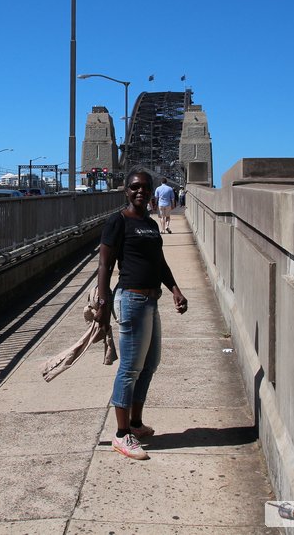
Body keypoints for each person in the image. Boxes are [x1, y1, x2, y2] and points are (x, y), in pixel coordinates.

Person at [95, 168, 188, 460]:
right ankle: (122, 435)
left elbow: (159, 262)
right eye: (135, 187)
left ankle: (135, 423)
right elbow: (104, 265)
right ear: (126, 190)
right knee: (130, 368)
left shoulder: (148, 224)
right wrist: (103, 301)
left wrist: (175, 289)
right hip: (131, 299)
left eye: (145, 188)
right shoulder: (118, 221)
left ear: (151, 191)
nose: (140, 191)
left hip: (151, 299)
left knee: (150, 364)